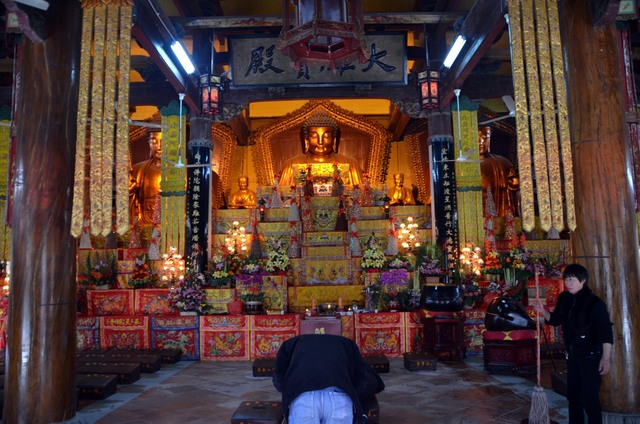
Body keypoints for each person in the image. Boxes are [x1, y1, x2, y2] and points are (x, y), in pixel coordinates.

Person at [533, 264, 613, 424]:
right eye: (566, 279)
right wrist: (543, 311)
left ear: (583, 280)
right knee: (574, 396)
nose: (568, 283)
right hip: (573, 355)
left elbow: (605, 333)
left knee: (590, 398)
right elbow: (555, 320)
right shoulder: (565, 298)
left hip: (590, 356)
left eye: (572, 279)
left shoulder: (594, 303)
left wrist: (605, 358)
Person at [273, 334, 385, 424]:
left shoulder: (290, 345)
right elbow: (365, 380)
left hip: (303, 397)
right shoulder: (347, 345)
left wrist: (291, 392)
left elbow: (278, 380)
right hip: (339, 396)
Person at [279, 112, 364, 188]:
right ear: (307, 140)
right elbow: (283, 195)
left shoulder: (351, 164)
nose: (320, 142)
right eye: (314, 136)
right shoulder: (291, 165)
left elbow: (360, 195)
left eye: (326, 136)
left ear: (334, 140)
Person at [478, 125, 520, 217]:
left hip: (497, 212)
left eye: (485, 138)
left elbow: (514, 185)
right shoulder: (460, 164)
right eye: (477, 138)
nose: (481, 142)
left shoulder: (502, 163)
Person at [130, 130, 162, 227]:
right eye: (154, 142)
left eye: (164, 142)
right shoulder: (137, 170)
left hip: (176, 228)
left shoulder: (185, 171)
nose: (159, 147)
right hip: (145, 226)